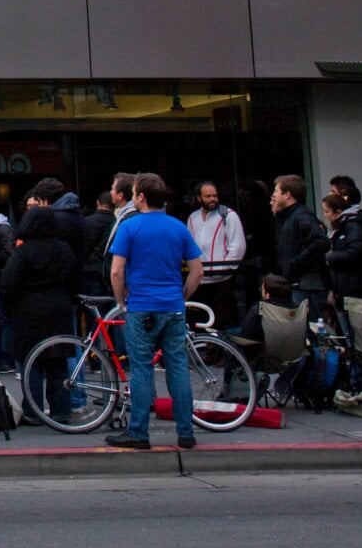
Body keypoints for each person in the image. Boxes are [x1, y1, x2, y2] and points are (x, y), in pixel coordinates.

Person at [105, 174, 203, 451]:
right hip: (172, 306)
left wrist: (121, 301)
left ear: (141, 197)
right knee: (178, 368)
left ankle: (138, 431)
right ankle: (186, 432)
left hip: (141, 306)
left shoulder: (130, 226)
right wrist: (181, 297)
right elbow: (197, 271)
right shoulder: (178, 227)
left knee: (141, 369)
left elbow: (116, 271)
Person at [0, 206, 80, 425]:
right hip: (60, 308)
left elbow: (8, 283)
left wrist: (9, 305)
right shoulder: (64, 249)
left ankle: (33, 411)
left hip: (28, 310)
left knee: (31, 362)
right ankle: (61, 409)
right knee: (58, 362)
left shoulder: (23, 252)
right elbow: (75, 280)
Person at [187, 182, 247, 328]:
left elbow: (238, 245)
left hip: (222, 281)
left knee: (223, 321)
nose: (212, 199)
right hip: (200, 281)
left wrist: (226, 269)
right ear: (199, 198)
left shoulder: (228, 215)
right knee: (200, 322)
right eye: (208, 196)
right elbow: (189, 245)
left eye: (214, 195)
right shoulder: (193, 217)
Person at [271, 175, 330, 317]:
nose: (274, 195)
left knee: (311, 324)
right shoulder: (290, 216)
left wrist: (296, 261)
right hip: (300, 283)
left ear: (287, 195)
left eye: (277, 191)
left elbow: (320, 242)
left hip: (307, 285)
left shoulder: (301, 215)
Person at [322, 192, 362, 301]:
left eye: (327, 211)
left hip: (356, 284)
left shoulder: (353, 227)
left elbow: (356, 251)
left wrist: (330, 258)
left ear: (338, 212)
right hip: (349, 283)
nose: (325, 215)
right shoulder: (342, 228)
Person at [80, 191, 116, 297]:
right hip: (110, 270)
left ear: (97, 203)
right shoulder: (117, 223)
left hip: (90, 270)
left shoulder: (86, 222)